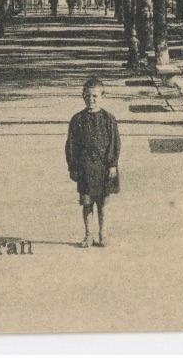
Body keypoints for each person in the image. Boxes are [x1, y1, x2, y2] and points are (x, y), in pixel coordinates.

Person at [65, 77, 120, 247]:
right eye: (87, 96)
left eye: (95, 96)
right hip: (85, 168)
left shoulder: (108, 118)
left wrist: (112, 164)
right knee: (87, 202)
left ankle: (103, 234)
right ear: (83, 96)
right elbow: (71, 144)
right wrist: (72, 167)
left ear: (103, 96)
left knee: (103, 202)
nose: (91, 100)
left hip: (104, 167)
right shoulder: (77, 120)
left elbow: (115, 142)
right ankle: (88, 235)